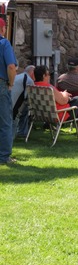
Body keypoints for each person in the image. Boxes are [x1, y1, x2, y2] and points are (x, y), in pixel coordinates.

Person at [34, 65, 78, 143]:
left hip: (41, 114)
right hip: (58, 115)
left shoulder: (34, 87)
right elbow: (63, 101)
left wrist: (62, 94)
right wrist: (65, 94)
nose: (49, 76)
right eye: (48, 74)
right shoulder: (49, 88)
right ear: (43, 76)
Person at [0, 17, 17, 164]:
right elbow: (11, 67)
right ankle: (4, 157)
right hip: (1, 84)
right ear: (3, 29)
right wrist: (11, 83)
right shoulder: (4, 43)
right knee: (5, 122)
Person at [11, 65, 35, 139]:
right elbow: (30, 99)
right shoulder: (29, 81)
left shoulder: (17, 77)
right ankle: (22, 132)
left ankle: (21, 132)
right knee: (26, 108)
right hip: (14, 109)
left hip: (8, 104)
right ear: (32, 73)